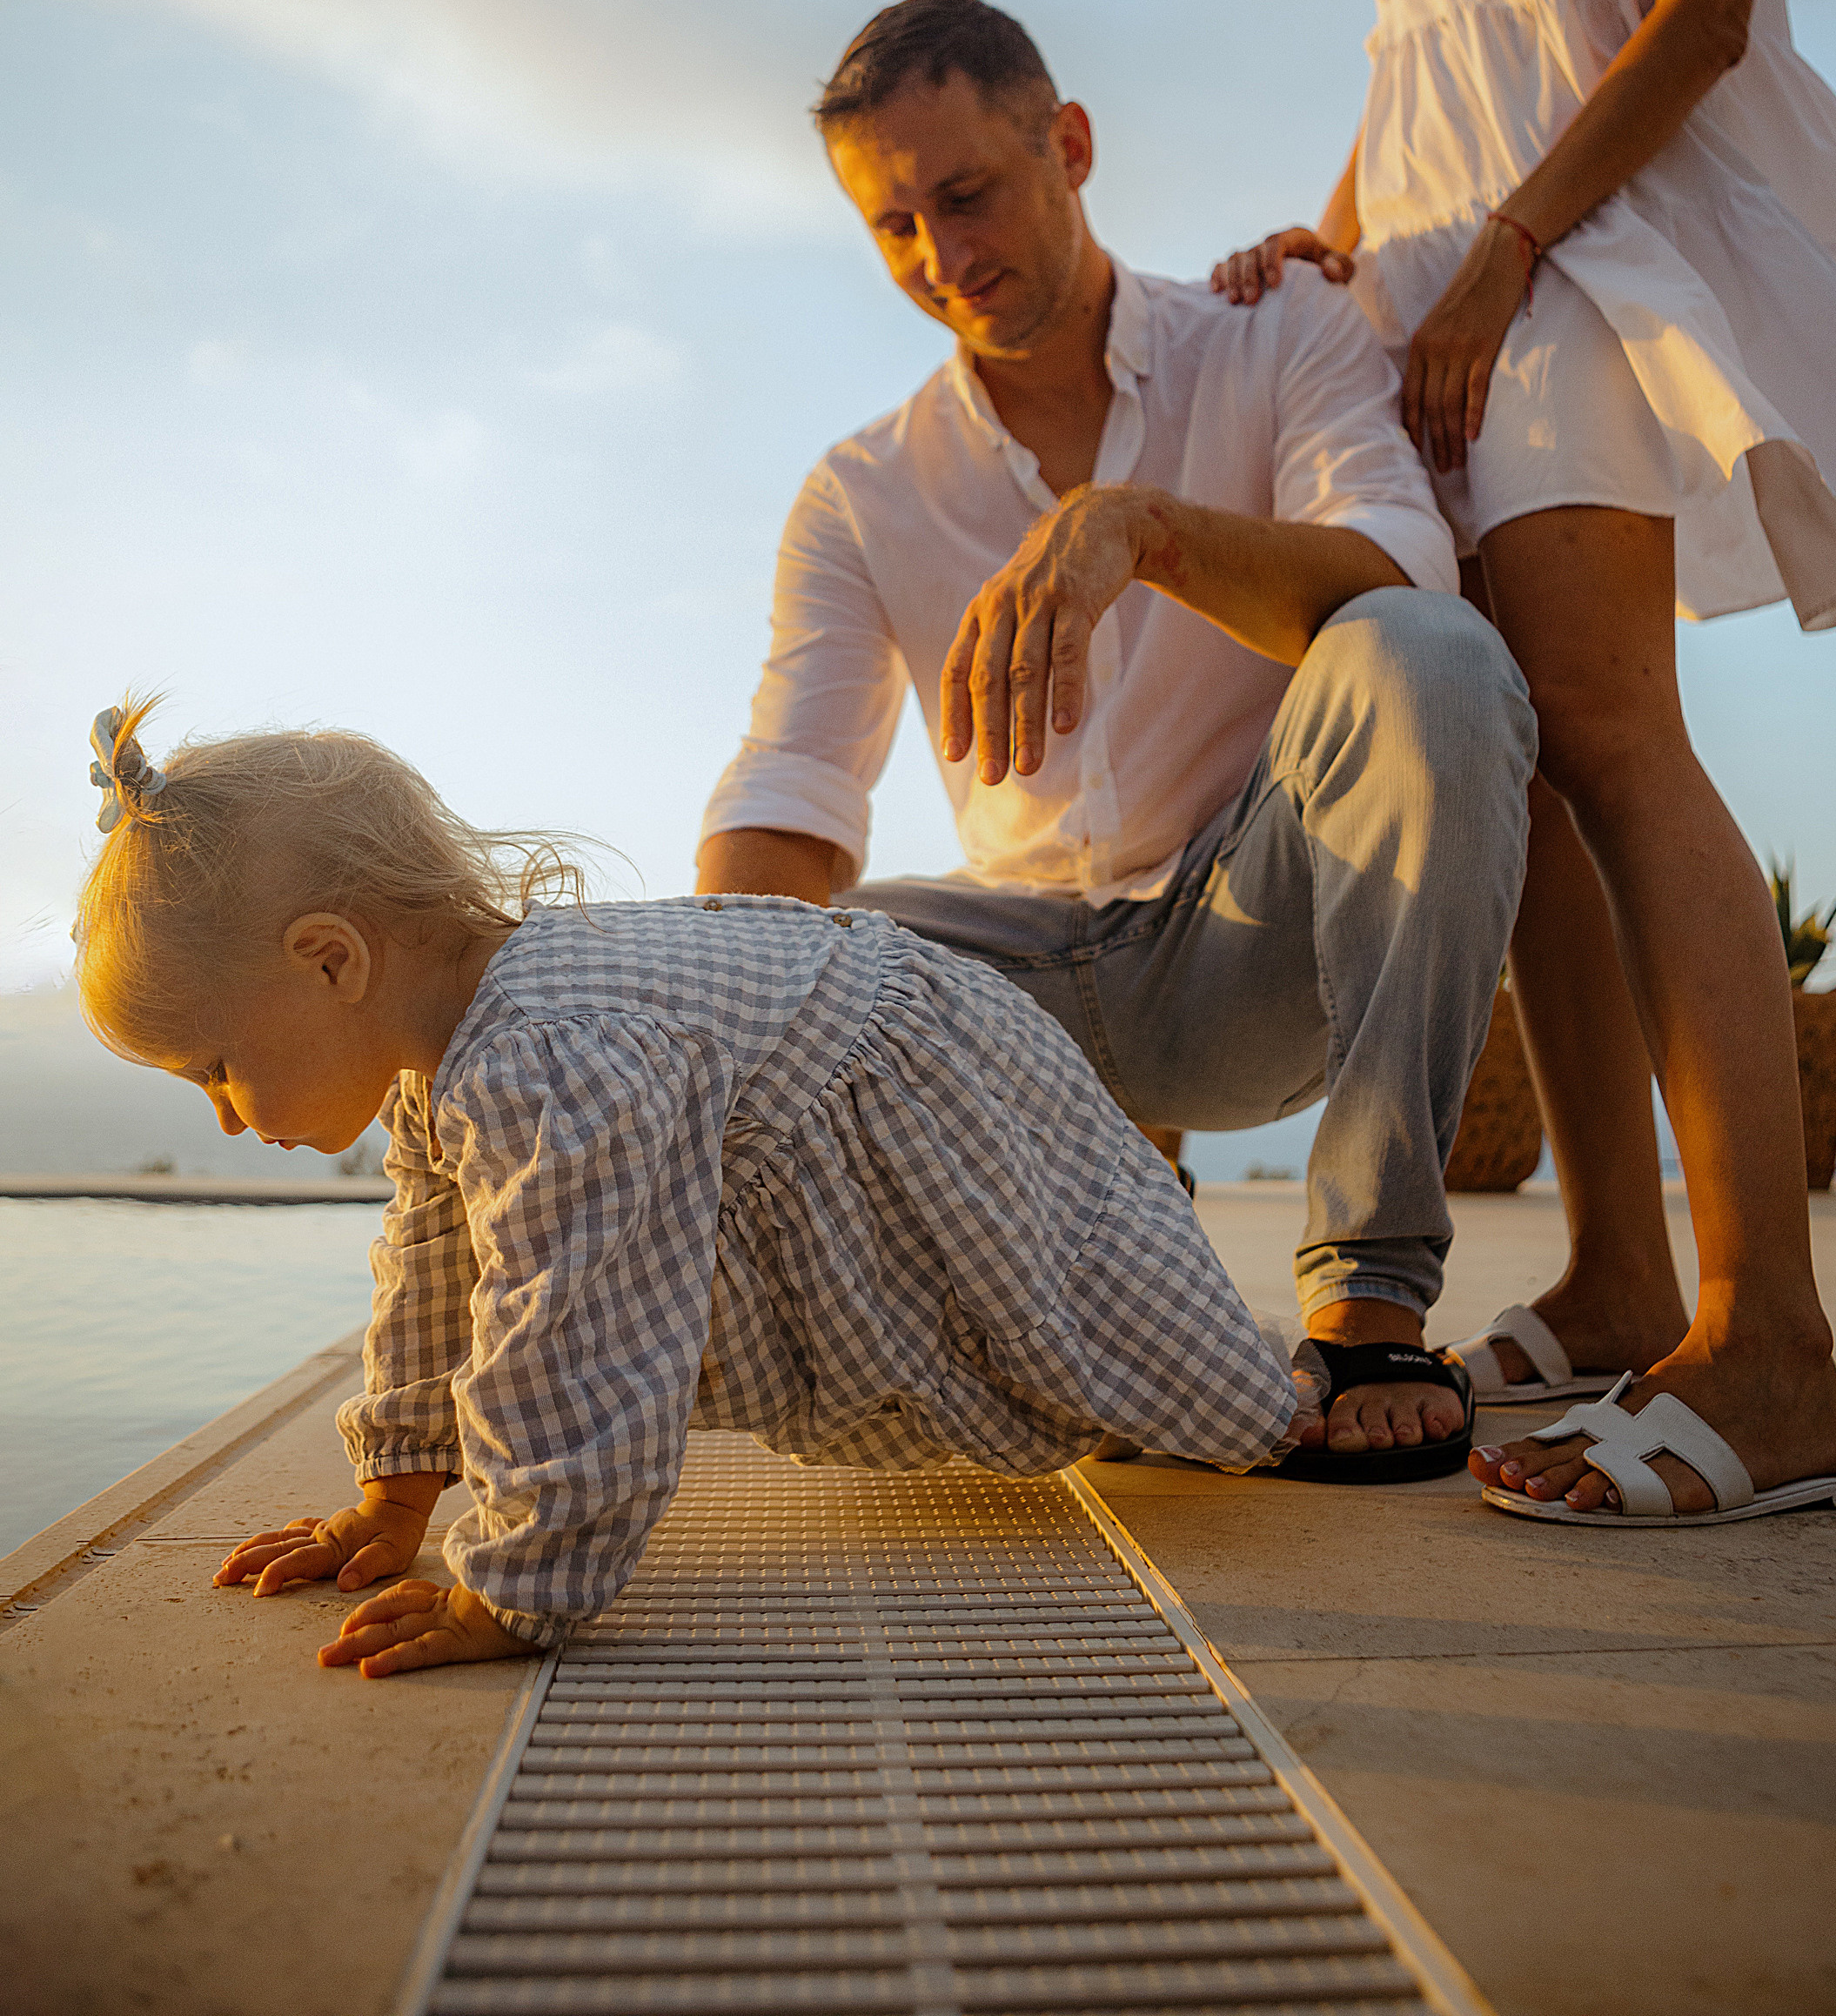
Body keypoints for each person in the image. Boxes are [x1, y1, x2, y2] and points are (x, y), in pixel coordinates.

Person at [1215, 0, 1836, 1526]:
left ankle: (1773, 1354)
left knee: (1612, 738)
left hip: (1563, 295)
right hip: (1431, 324)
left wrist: (1503, 256)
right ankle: (1619, 1277)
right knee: (1516, 781)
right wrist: (1319, 242)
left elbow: (1692, 27)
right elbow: (1405, 128)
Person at [699, 0, 1537, 1481]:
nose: (943, 256)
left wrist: (1142, 532)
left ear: (1069, 145)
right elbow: (794, 792)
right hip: (1015, 1005)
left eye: (967, 193)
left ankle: (1367, 1301)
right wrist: (694, 1037)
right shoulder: (861, 489)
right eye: (894, 226)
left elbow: (1402, 565)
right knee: (755, 952)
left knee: (1433, 650)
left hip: (1257, 945)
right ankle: (1070, 1296)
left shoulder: (1277, 332)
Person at [73, 700, 1309, 1676]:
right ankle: (1204, 1384)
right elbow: (435, 1274)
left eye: (217, 1068)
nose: (225, 1114)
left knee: (1105, 1319)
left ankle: (1301, 1394)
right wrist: (397, 1491)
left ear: (330, 960)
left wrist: (516, 1585)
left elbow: (575, 1330)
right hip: (883, 1068)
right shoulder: (443, 1063)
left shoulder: (546, 1061)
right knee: (1047, 1349)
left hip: (939, 1083)